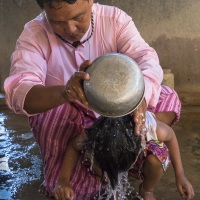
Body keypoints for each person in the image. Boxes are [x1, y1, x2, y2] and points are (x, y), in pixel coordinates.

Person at [4, 0, 182, 198]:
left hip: (120, 116)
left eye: (78, 17)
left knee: (166, 96)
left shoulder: (115, 20)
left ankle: (130, 160)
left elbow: (146, 59)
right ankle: (83, 175)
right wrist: (65, 93)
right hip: (73, 119)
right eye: (57, 22)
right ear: (45, 11)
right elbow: (18, 92)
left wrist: (140, 98)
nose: (70, 29)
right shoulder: (34, 34)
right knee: (53, 114)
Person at [53, 112, 194, 200]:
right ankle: (112, 187)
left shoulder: (149, 127)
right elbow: (73, 147)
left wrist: (180, 175)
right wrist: (63, 181)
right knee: (98, 158)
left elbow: (171, 137)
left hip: (142, 156)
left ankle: (147, 189)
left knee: (159, 152)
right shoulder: (95, 134)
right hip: (104, 157)